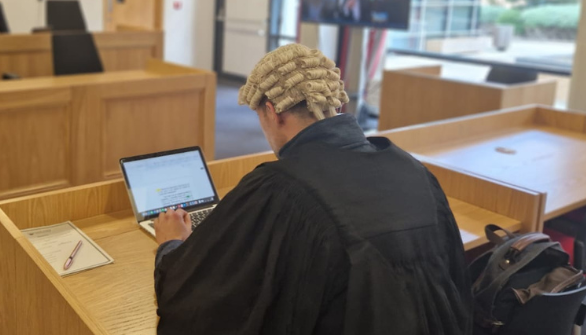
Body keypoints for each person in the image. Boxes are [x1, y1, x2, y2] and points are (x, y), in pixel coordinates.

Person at [152, 44, 472, 335]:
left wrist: (171, 247)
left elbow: (201, 301)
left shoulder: (277, 188)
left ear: (273, 111)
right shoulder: (411, 168)